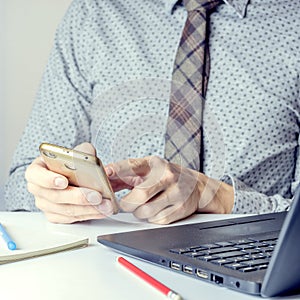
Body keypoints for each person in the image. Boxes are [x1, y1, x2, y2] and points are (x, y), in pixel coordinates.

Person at [4, 0, 300, 224]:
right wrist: (54, 192)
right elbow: (18, 188)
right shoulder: (96, 12)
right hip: (104, 267)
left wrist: (217, 197)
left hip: (248, 271)